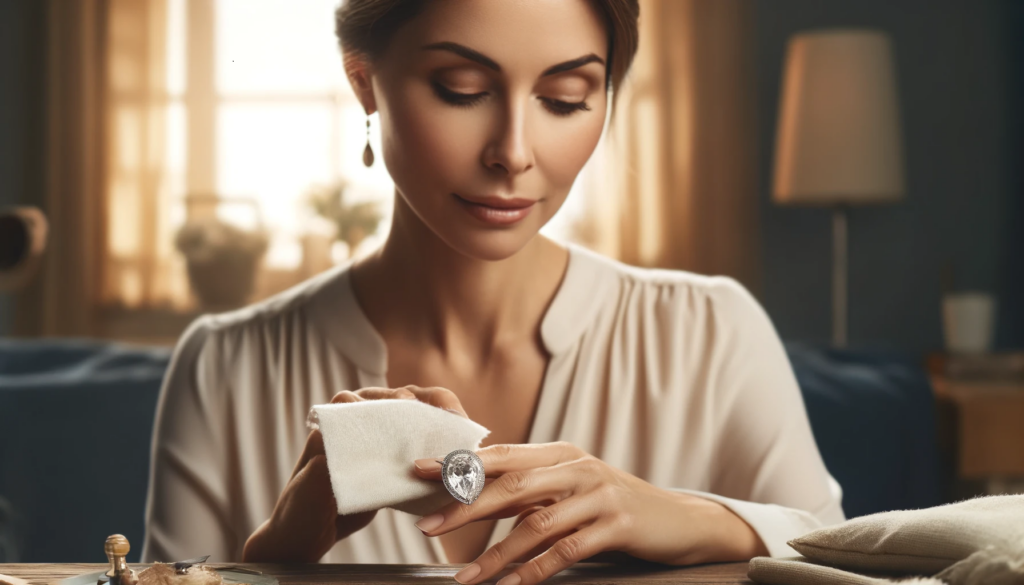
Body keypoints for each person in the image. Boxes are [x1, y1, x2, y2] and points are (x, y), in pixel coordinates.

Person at [140, 1, 845, 584]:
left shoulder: (707, 331)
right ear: (364, 83)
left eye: (564, 99)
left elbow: (843, 559)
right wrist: (273, 564)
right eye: (462, 89)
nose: (514, 150)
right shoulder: (225, 365)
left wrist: (689, 519)